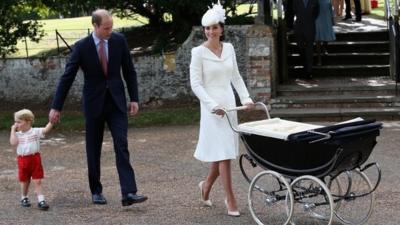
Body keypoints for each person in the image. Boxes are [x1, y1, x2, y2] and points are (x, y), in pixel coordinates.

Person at [49, 9, 147, 206]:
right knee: (93, 149)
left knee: (122, 144)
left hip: (117, 103)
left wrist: (134, 98)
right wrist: (56, 107)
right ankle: (96, 191)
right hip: (94, 104)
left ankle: (128, 193)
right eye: (106, 28)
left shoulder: (119, 41)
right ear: (95, 26)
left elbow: (129, 70)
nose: (110, 31)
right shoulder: (82, 47)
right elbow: (67, 77)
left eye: (111, 27)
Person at [190, 0, 254, 217]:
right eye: (207, 28)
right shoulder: (198, 52)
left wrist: (245, 98)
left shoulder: (229, 48)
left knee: (223, 152)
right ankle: (230, 198)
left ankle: (206, 186)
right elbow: (196, 84)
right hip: (211, 108)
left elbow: (235, 77)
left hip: (229, 105)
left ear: (221, 29)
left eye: (214, 27)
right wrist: (211, 105)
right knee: (225, 155)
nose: (210, 31)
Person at [10, 109, 53, 210]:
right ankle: (24, 197)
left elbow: (46, 129)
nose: (16, 124)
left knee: (37, 180)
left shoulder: (35, 131)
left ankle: (41, 200)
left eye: (19, 122)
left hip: (35, 159)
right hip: (23, 160)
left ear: (28, 121)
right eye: (15, 122)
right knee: (25, 181)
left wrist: (52, 121)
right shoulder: (18, 134)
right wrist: (13, 130)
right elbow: (13, 143)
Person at [293, 0, 320, 79]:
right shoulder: (296, 2)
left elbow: (316, 13)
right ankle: (305, 66)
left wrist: (309, 20)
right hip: (299, 28)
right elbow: (294, 11)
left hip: (310, 28)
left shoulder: (314, 2)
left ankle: (309, 71)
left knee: (309, 50)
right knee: (300, 48)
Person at [315, 0, 336, 65]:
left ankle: (324, 50)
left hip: (326, 19)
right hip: (318, 20)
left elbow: (330, 8)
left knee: (325, 36)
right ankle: (319, 60)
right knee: (317, 39)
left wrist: (332, 19)